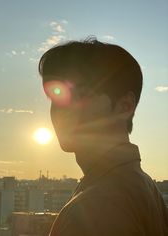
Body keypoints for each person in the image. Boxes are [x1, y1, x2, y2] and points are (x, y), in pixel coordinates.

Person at [38, 37, 168, 236]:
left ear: (125, 106)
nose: (61, 111)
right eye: (56, 96)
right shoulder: (143, 185)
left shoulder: (96, 207)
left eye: (81, 95)